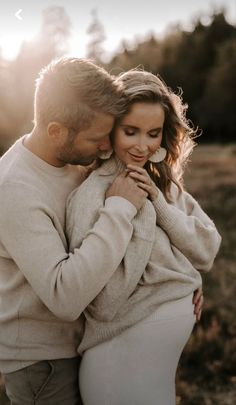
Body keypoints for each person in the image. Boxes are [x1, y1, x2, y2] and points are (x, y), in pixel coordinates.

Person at [66, 69, 222, 405]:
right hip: (118, 357)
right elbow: (102, 302)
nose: (142, 145)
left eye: (153, 134)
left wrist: (160, 204)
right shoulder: (93, 194)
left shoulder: (163, 185)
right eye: (130, 132)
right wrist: (175, 278)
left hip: (154, 364)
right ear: (111, 130)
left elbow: (207, 250)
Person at [0, 58, 149, 405]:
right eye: (97, 139)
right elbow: (64, 296)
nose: (106, 149)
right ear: (56, 131)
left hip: (85, 346)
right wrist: (120, 209)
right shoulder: (13, 190)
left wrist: (183, 283)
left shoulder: (71, 162)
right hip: (43, 364)